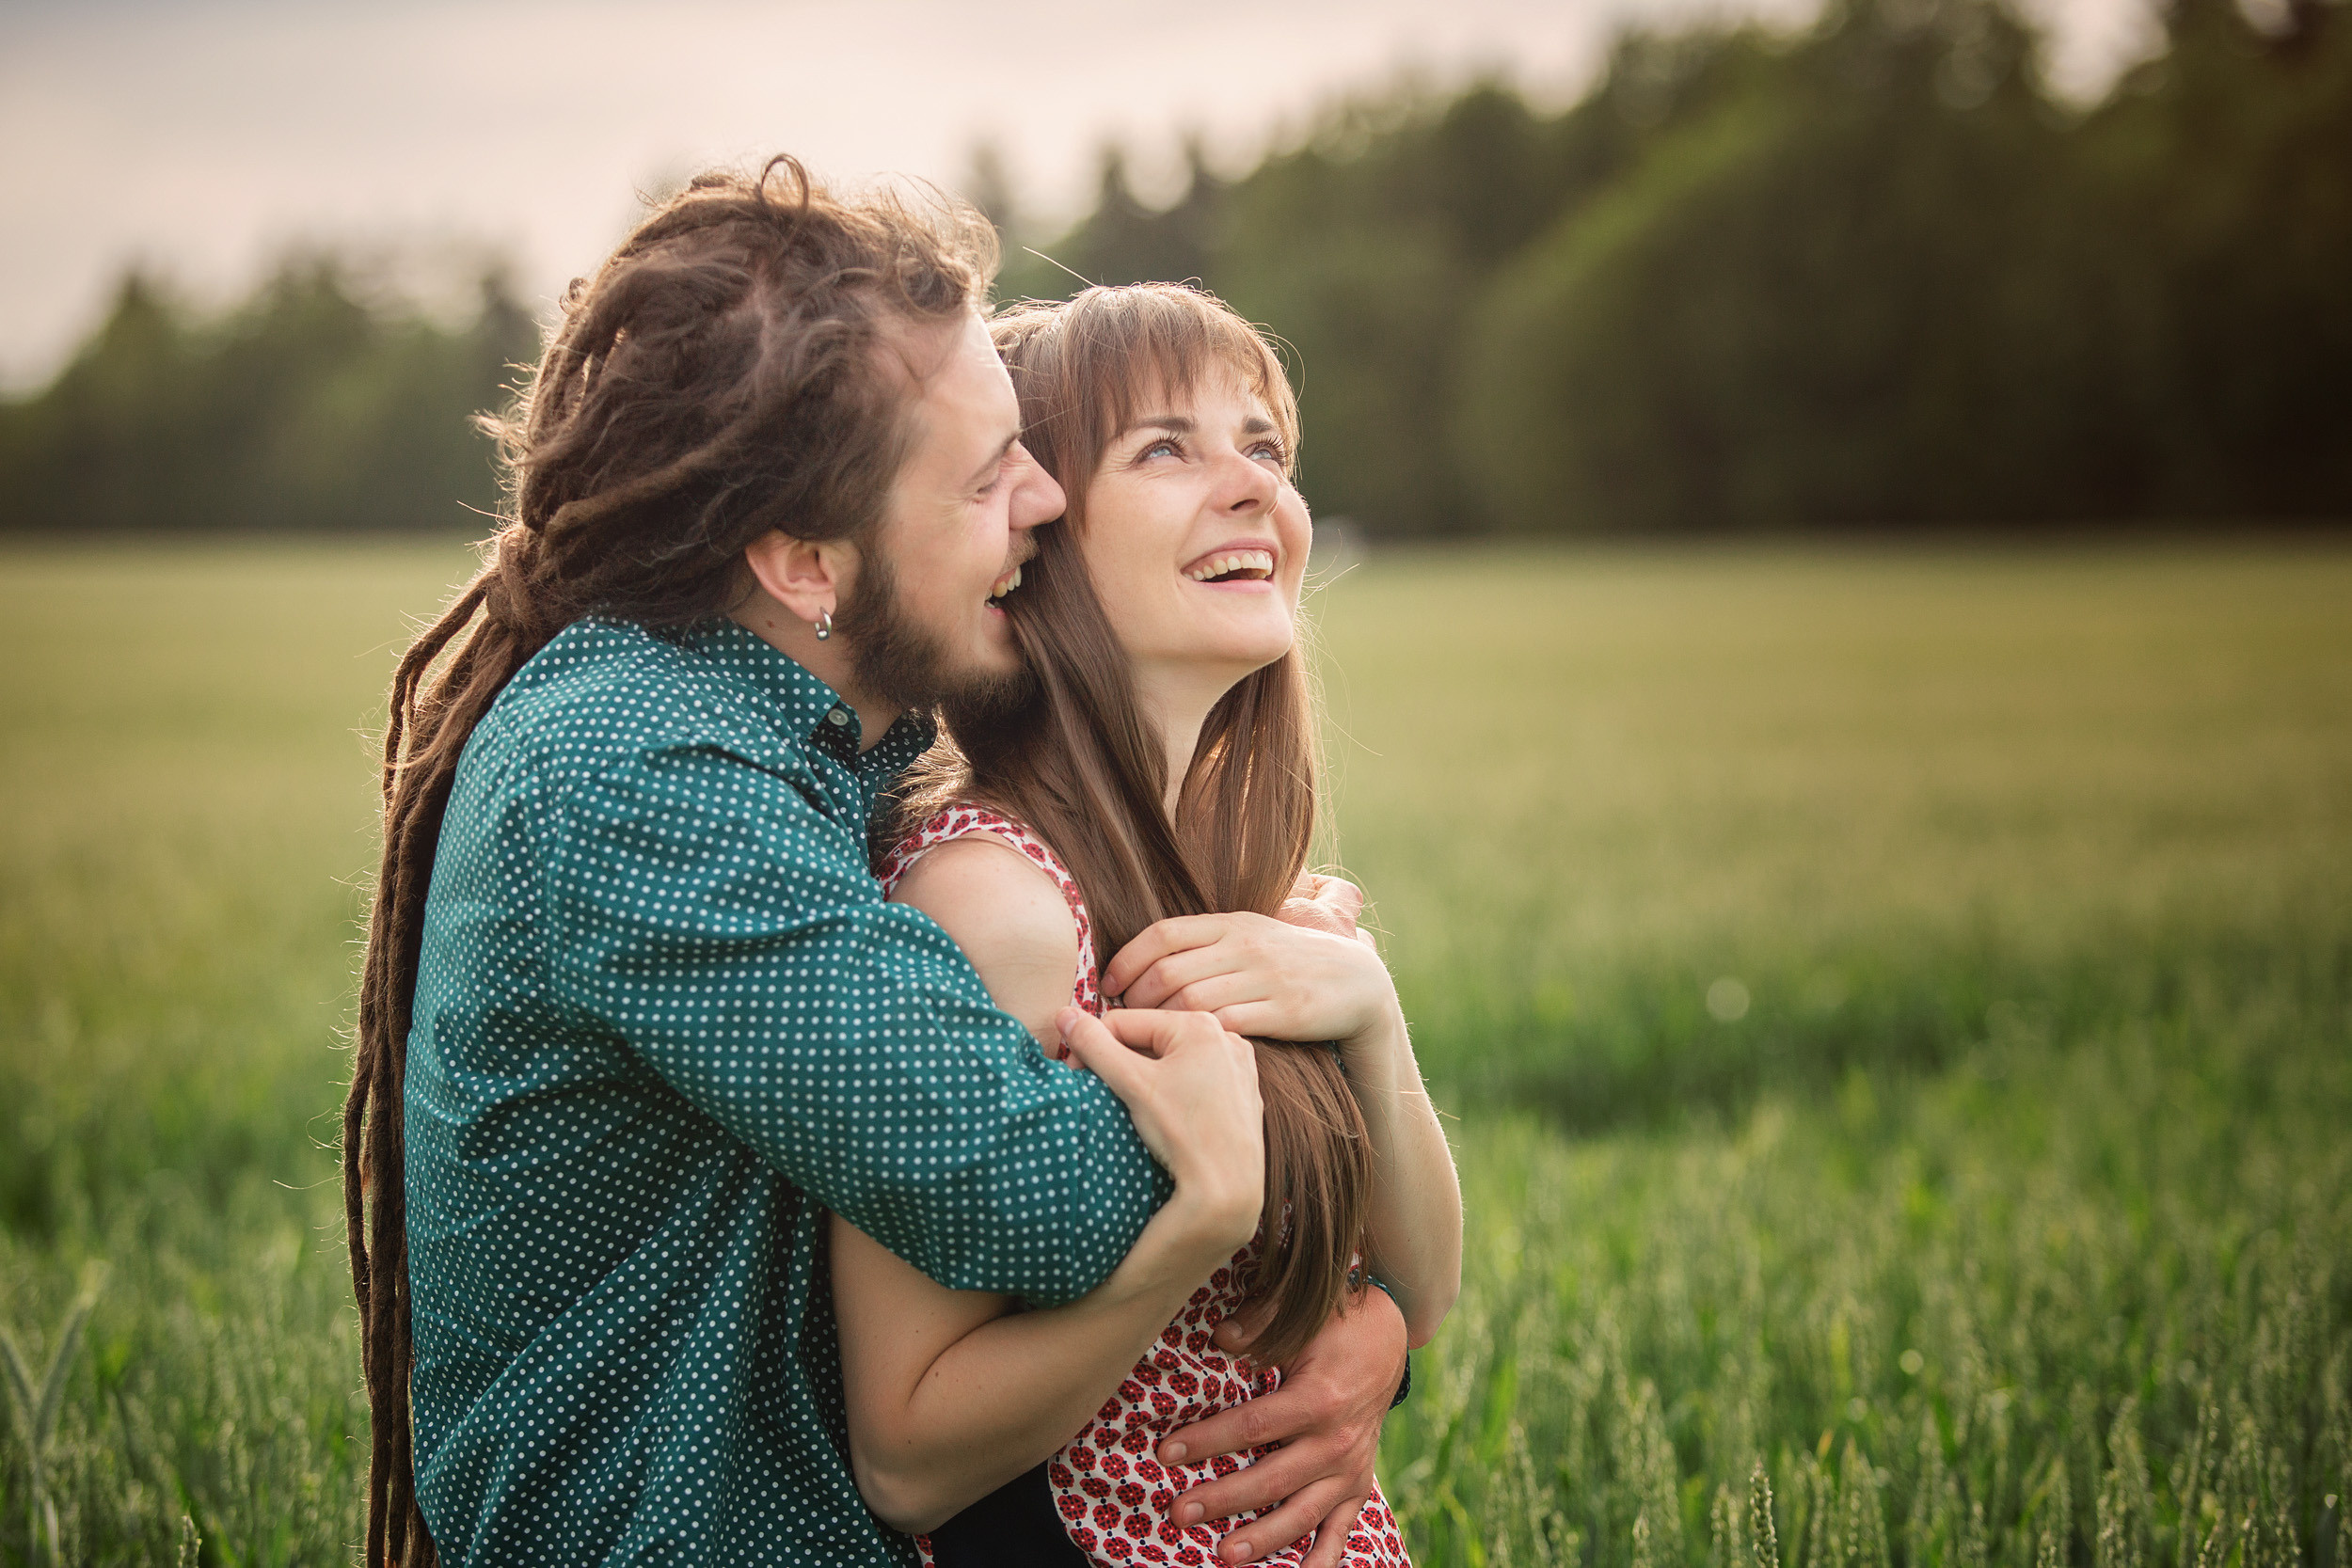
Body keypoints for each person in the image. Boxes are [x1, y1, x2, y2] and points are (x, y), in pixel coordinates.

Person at [342, 160, 1410, 1568]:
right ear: (805, 563)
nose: (1042, 502)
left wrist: (1371, 1320)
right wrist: (1250, 1083)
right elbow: (1032, 1191)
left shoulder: (841, 729)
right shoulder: (634, 780)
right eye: (986, 475)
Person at [832, 283, 1463, 1567]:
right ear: (1034, 537)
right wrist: (1196, 1232)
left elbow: (1429, 1289)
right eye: (1165, 448)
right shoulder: (992, 905)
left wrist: (1371, 1016)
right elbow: (904, 1461)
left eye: (1264, 446)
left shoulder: (1240, 892)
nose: (1251, 488)